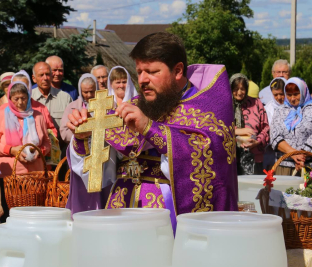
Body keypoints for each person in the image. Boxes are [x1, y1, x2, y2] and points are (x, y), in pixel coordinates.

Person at [66, 32, 238, 228]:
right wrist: (82, 138)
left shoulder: (205, 111)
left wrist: (149, 128)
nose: (142, 80)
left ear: (178, 70)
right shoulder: (134, 106)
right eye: (139, 72)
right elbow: (98, 176)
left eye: (152, 71)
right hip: (120, 211)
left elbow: (210, 161)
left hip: (166, 217)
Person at [0, 81, 51, 176]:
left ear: (28, 98)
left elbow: (47, 142)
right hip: (9, 174)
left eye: (23, 98)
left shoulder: (38, 116)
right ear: (9, 99)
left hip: (35, 173)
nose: (20, 102)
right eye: (16, 99)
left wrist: (40, 151)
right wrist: (11, 150)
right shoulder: (1, 115)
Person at [270, 77, 312, 175]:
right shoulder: (279, 111)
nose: (292, 99)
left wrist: (302, 155)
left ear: (303, 92)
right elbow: (274, 136)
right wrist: (293, 154)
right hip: (283, 166)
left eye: (296, 94)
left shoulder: (310, 110)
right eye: (289, 95)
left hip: (307, 165)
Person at [231, 74, 269, 175]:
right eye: (235, 89)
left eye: (242, 89)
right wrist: (237, 130)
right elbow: (218, 127)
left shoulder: (256, 103)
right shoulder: (225, 105)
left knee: (253, 189)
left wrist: (257, 141)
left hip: (254, 157)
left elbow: (266, 128)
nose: (239, 92)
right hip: (231, 158)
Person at [31, 62, 72, 132]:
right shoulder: (29, 98)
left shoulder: (65, 98)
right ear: (34, 78)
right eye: (41, 75)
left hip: (61, 142)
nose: (45, 78)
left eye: (47, 74)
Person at [60, 74, 98, 143]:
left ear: (96, 89)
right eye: (85, 92)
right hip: (79, 147)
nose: (89, 95)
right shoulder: (72, 106)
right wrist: (80, 135)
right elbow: (64, 132)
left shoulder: (107, 104)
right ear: (80, 91)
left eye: (92, 91)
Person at [263, 77, 286, 170]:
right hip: (271, 151)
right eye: (275, 95)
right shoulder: (268, 108)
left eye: (282, 94)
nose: (279, 98)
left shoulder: (293, 107)